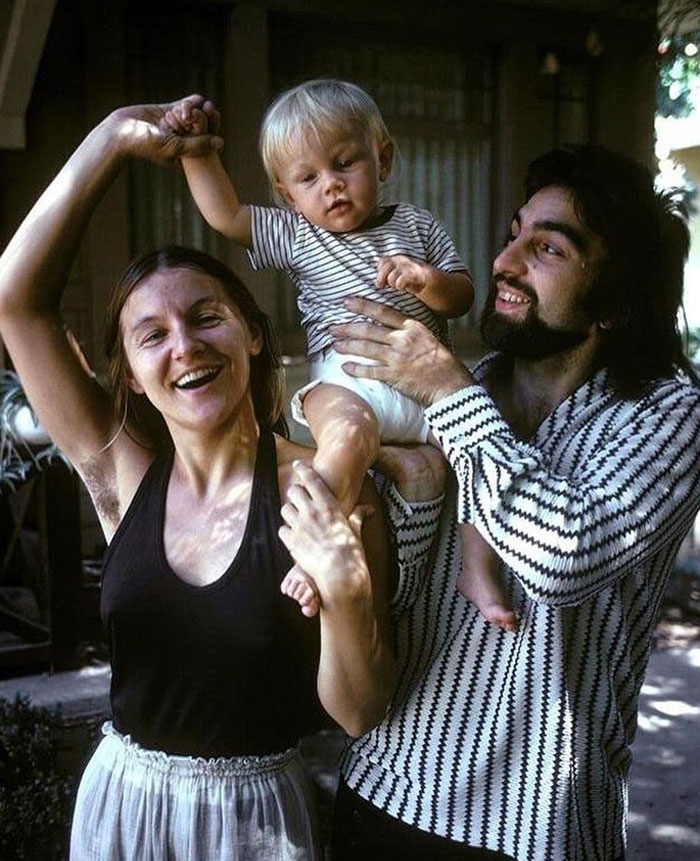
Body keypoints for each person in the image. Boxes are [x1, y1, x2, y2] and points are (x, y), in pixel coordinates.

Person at [0, 100, 398, 860]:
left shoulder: (324, 487)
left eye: (206, 316)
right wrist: (113, 138)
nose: (184, 345)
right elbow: (15, 300)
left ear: (252, 332)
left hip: (255, 828)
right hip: (121, 810)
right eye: (153, 334)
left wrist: (344, 592)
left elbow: (360, 709)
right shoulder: (122, 472)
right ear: (135, 377)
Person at [294, 143, 700, 860]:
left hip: (532, 829)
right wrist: (408, 495)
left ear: (616, 301)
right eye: (513, 233)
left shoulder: (666, 413)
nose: (504, 262)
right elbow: (400, 598)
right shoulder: (455, 389)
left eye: (546, 247)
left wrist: (452, 397)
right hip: (385, 795)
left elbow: (564, 556)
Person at [163, 79, 517, 632]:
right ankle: (313, 548)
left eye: (344, 162)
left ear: (383, 159)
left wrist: (426, 282)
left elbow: (463, 294)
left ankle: (477, 568)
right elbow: (226, 215)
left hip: (428, 389)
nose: (331, 185)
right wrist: (198, 151)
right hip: (347, 381)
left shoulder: (418, 226)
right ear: (288, 195)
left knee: (478, 457)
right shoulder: (300, 235)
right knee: (346, 440)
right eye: (309, 178)